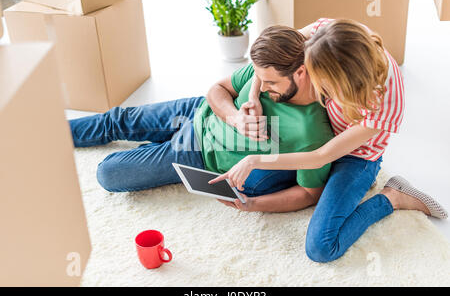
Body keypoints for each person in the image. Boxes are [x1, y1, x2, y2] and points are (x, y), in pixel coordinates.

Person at [209, 18, 448, 263]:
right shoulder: (328, 36)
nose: (313, 88)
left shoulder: (386, 103)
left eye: (322, 83)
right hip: (320, 135)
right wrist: (253, 94)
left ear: (344, 83)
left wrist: (254, 160)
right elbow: (272, 58)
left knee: (322, 247)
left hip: (355, 156)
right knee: (253, 183)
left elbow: (322, 156)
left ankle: (393, 197)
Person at [69, 25, 334, 212]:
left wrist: (253, 205)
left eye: (270, 83)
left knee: (108, 173)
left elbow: (310, 193)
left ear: (300, 73)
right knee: (118, 120)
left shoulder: (312, 131)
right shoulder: (265, 69)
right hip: (196, 111)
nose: (261, 88)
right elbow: (217, 90)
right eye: (259, 80)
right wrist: (234, 118)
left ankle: (158, 147)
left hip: (197, 154)